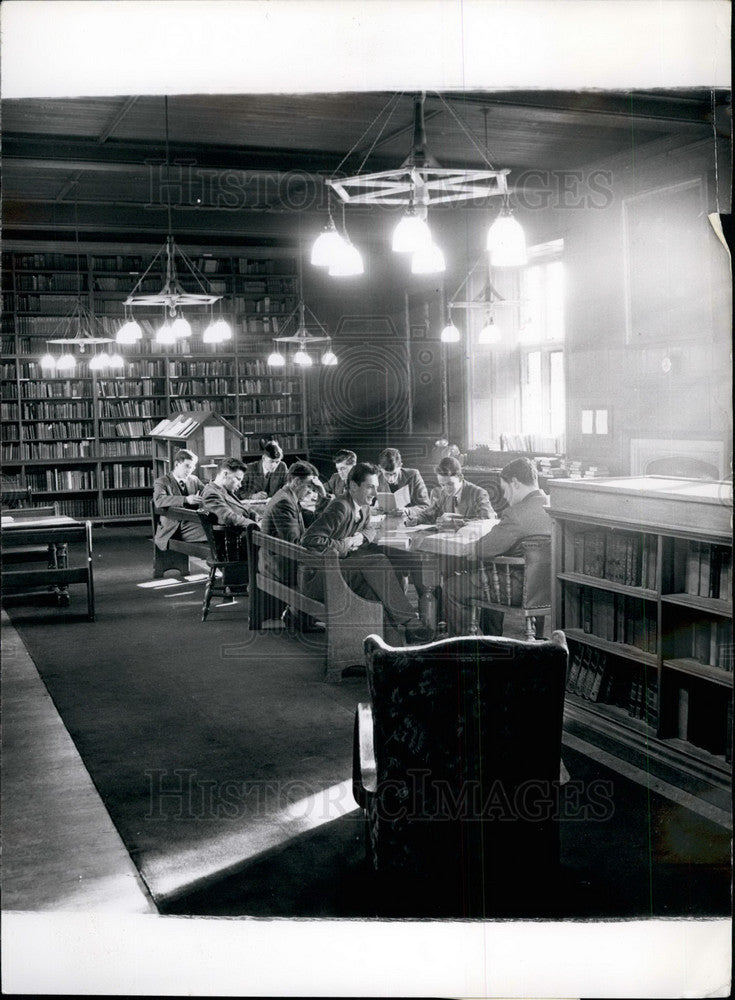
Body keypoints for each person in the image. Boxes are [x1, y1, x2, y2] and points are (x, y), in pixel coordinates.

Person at [301, 462, 434, 646]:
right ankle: (411, 621)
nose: (375, 493)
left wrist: (361, 538)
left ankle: (395, 649)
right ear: (354, 486)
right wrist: (345, 544)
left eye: (376, 487)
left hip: (341, 571)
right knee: (378, 561)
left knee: (374, 592)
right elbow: (309, 539)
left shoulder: (362, 506)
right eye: (370, 487)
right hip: (319, 577)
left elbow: (371, 528)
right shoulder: (340, 507)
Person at [443, 457, 552, 637]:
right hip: (550, 589)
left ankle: (461, 648)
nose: (506, 497)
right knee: (489, 575)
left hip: (519, 590)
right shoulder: (554, 506)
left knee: (453, 587)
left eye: (505, 490)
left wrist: (474, 545)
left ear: (515, 483)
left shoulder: (516, 513)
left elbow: (483, 549)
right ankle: (494, 639)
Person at [259, 460, 326, 629]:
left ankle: (300, 614)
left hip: (278, 558)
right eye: (309, 486)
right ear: (297, 482)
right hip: (280, 565)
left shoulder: (288, 497)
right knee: (332, 568)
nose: (311, 491)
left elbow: (313, 523)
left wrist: (323, 495)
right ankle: (299, 615)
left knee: (329, 559)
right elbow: (295, 544)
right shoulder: (284, 503)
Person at [200, 458, 261, 567]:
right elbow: (228, 517)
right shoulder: (211, 493)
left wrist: (253, 515)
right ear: (225, 474)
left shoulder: (224, 490)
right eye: (238, 479)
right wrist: (255, 524)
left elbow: (240, 508)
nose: (240, 485)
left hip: (238, 536)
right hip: (232, 543)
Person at [405, 455, 492, 527]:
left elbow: (485, 520)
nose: (445, 488)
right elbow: (428, 514)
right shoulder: (443, 493)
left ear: (461, 477)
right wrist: (416, 519)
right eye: (442, 484)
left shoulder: (478, 493)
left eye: (449, 484)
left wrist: (454, 523)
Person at [152, 448, 207, 551]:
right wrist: (185, 499)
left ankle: (220, 560)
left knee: (216, 528)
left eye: (193, 467)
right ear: (177, 464)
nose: (190, 470)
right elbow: (159, 500)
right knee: (211, 530)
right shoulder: (162, 481)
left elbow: (206, 493)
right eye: (187, 466)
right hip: (173, 527)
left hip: (192, 522)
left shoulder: (194, 480)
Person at [375, 447, 430, 519]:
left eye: (394, 474)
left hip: (409, 522)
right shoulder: (375, 478)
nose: (391, 479)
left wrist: (408, 511)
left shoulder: (413, 475)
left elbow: (426, 506)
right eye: (387, 474)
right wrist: (372, 510)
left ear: (400, 466)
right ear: (380, 468)